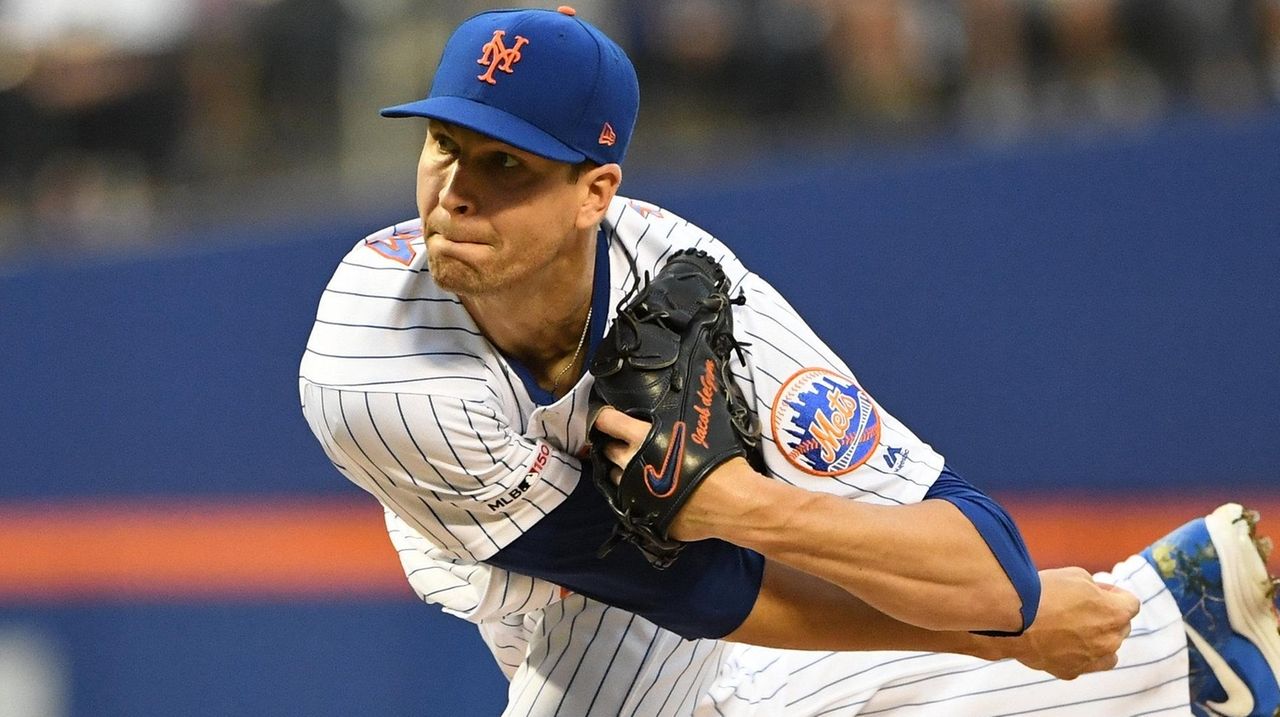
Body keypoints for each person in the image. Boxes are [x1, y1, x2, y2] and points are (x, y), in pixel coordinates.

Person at [298, 6, 1280, 716]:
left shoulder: (693, 292)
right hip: (516, 563)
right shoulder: (375, 369)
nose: (452, 192)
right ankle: (1161, 640)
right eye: (442, 145)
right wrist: (1024, 637)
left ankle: (1165, 647)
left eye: (504, 162)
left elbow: (983, 564)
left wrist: (740, 506)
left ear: (595, 192)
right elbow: (693, 594)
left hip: (631, 591)